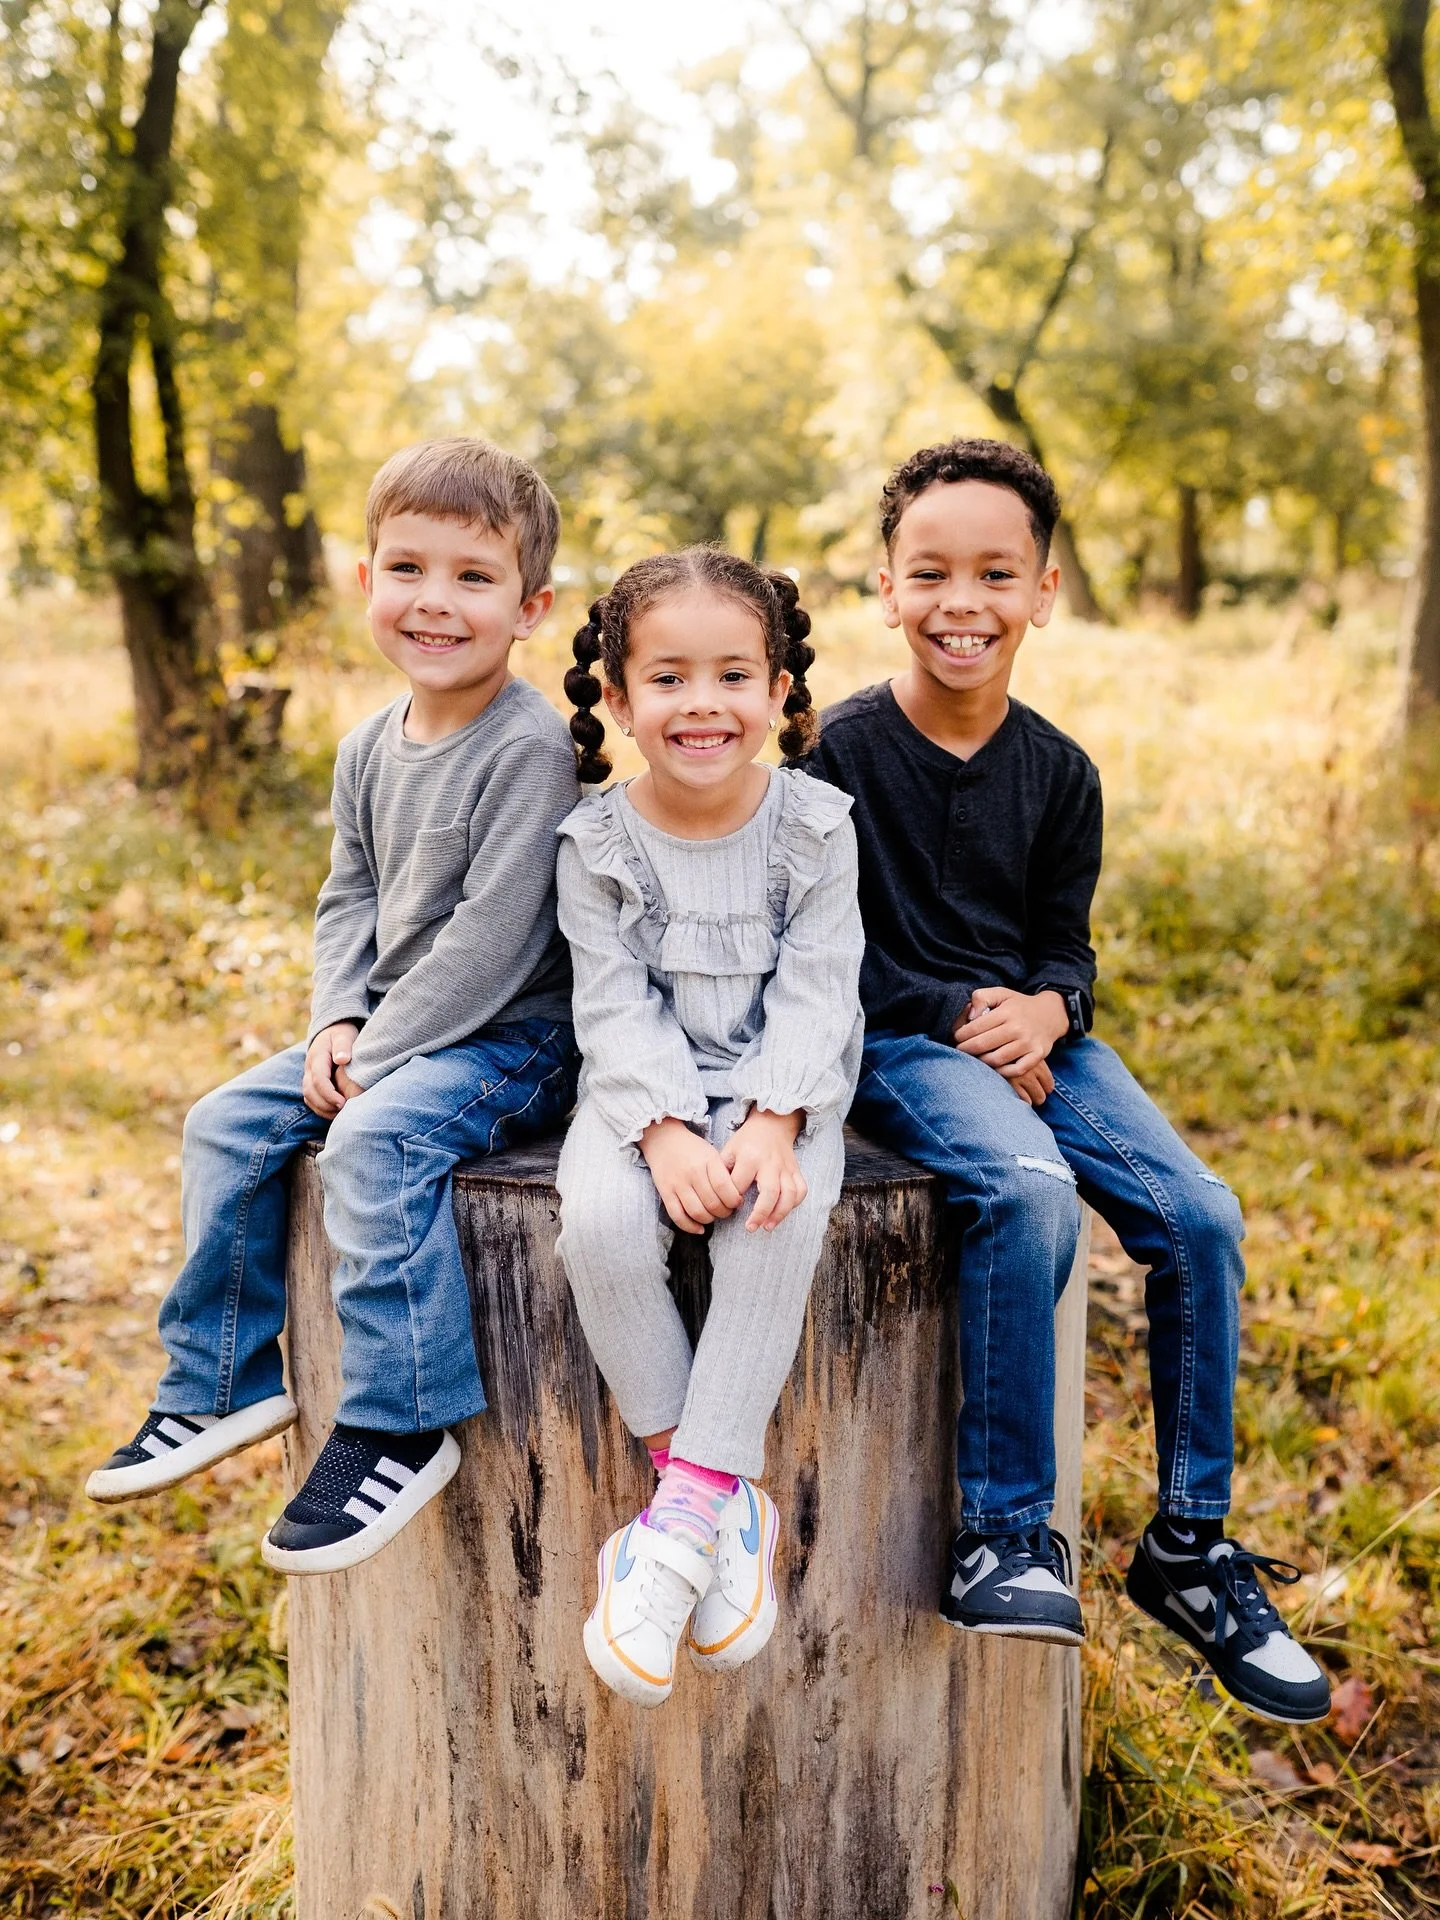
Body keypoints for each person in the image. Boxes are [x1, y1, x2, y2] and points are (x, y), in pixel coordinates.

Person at [801, 437, 1331, 1726]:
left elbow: (1067, 949)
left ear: (1045, 589)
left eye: (996, 573)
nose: (961, 603)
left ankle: (1192, 1546)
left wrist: (1047, 1010)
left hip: (1037, 1037)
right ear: (885, 587)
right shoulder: (833, 758)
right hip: (900, 1043)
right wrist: (965, 1013)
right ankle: (1002, 1531)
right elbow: (822, 955)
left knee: (1199, 1216)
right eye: (931, 573)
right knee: (1032, 1193)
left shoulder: (1062, 773)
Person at [85, 437, 582, 1576]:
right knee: (226, 1123)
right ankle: (221, 1383)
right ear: (366, 582)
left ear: (530, 606)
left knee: (372, 1142)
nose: (434, 602)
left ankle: (405, 1422)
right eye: (406, 568)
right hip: (389, 1032)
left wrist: (380, 1056)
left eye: (473, 577)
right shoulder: (367, 748)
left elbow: (497, 934)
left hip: (517, 1038)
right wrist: (333, 1024)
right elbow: (346, 896)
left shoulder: (529, 749)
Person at [554, 547, 863, 1707]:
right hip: (643, 1096)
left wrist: (775, 1120)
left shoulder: (816, 828)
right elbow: (610, 1003)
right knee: (600, 1230)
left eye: (734, 675)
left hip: (783, 1090)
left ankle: (670, 1536)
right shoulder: (596, 844)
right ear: (622, 701)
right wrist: (668, 1131)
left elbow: (823, 986)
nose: (703, 704)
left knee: (772, 1232)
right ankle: (712, 1492)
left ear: (778, 692)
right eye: (669, 679)